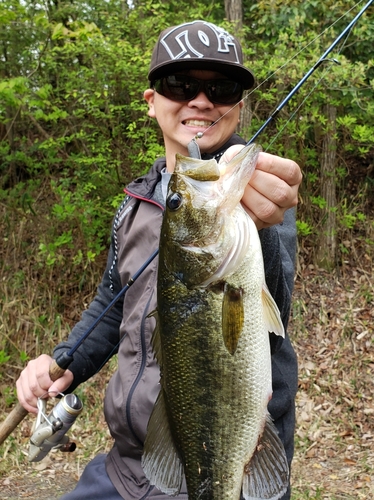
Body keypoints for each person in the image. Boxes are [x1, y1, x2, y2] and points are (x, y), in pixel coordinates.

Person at [16, 20, 301, 500]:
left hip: (230, 458)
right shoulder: (131, 206)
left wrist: (267, 220)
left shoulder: (252, 207)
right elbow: (112, 301)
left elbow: (273, 284)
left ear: (239, 106)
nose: (200, 101)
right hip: (128, 466)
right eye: (179, 84)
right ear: (152, 103)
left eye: (221, 88)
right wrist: (66, 360)